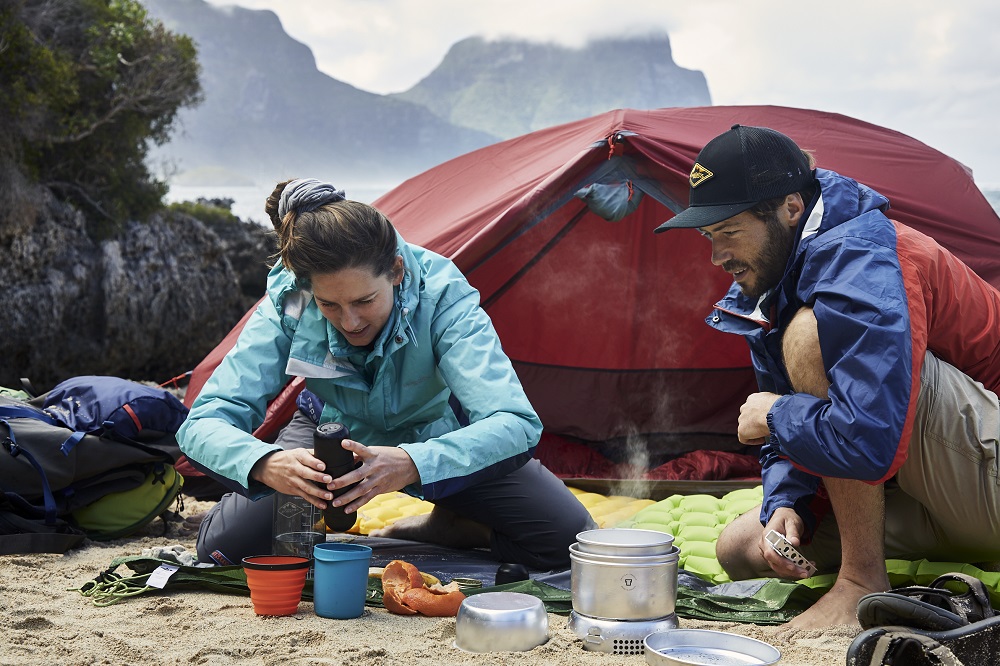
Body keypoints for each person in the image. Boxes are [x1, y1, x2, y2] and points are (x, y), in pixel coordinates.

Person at [654, 125, 1000, 629]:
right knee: (741, 548)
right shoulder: (778, 276)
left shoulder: (866, 257)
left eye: (728, 232)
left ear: (791, 208)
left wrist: (775, 414)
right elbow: (806, 417)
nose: (717, 257)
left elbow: (868, 442)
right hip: (931, 496)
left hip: (983, 476)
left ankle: (861, 579)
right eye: (710, 238)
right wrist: (787, 500)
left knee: (809, 335)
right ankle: (843, 547)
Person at [178, 178, 594, 571]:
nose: (351, 321)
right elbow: (204, 420)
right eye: (331, 306)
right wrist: (265, 462)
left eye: (364, 300)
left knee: (569, 540)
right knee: (226, 550)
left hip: (432, 431)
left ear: (396, 272)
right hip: (327, 435)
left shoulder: (444, 295)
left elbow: (515, 422)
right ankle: (301, 516)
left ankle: (448, 525)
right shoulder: (292, 300)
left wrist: (415, 461)